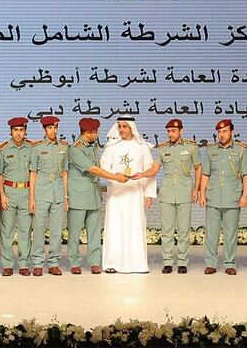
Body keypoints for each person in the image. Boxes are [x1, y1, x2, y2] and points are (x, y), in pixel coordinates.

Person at [138, 118, 201, 274]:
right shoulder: (161, 149)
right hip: (167, 193)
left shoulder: (191, 147)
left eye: (173, 131)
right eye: (168, 131)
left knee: (184, 230)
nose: (170, 134)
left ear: (181, 131)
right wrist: (142, 174)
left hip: (185, 192)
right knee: (167, 229)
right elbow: (154, 169)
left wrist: (196, 190)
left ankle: (182, 262)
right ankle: (167, 261)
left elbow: (198, 169)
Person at [67, 118, 129, 275]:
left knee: (94, 232)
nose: (97, 134)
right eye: (95, 132)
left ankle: (94, 262)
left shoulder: (92, 145)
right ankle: (74, 262)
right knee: (75, 233)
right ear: (87, 133)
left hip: (93, 195)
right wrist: (115, 177)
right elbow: (94, 169)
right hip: (79, 197)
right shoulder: (76, 149)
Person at [100, 115, 156, 273]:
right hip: (116, 194)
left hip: (135, 194)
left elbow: (149, 171)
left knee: (135, 227)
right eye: (120, 127)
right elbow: (103, 169)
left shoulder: (142, 146)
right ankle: (112, 263)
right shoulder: (111, 147)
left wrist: (149, 194)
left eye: (125, 126)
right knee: (115, 227)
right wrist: (115, 175)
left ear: (132, 127)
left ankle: (137, 264)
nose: (122, 130)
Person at [200, 119, 247, 275]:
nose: (222, 135)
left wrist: (244, 195)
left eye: (225, 131)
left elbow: (246, 175)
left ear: (232, 132)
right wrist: (202, 194)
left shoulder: (242, 150)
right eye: (220, 132)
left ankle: (229, 263)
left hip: (233, 197)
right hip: (213, 197)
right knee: (211, 234)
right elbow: (205, 174)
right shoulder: (210, 150)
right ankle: (211, 263)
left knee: (230, 233)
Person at [29, 115, 69, 276]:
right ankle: (38, 263)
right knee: (38, 229)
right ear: (44, 129)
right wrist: (31, 197)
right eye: (50, 128)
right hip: (41, 193)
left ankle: (53, 262)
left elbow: (65, 173)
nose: (53, 130)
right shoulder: (37, 148)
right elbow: (33, 173)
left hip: (58, 193)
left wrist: (66, 197)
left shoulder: (64, 147)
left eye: (55, 127)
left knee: (56, 230)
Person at [0, 117, 34, 276]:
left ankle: (24, 264)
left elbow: (33, 172)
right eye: (15, 130)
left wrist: (32, 197)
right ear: (11, 131)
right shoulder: (3, 149)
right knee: (7, 231)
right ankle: (7, 265)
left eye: (21, 130)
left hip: (26, 192)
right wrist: (2, 195)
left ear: (25, 131)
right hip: (9, 192)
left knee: (25, 230)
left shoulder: (31, 148)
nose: (18, 134)